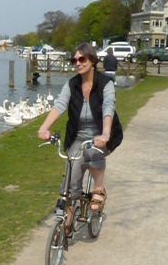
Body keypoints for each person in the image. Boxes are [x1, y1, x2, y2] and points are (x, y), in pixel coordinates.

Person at [37, 43, 123, 229]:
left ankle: (98, 189)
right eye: (74, 60)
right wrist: (44, 127)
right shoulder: (72, 84)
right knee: (70, 179)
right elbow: (59, 105)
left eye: (82, 59)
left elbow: (108, 107)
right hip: (78, 136)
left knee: (94, 153)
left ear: (92, 61)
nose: (78, 63)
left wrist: (105, 133)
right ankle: (67, 219)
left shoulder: (105, 83)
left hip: (101, 135)